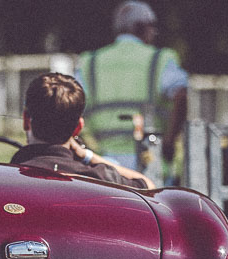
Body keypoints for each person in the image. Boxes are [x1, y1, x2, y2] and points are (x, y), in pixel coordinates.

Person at [77, 1, 187, 182]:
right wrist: (169, 141)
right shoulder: (160, 59)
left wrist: (84, 146)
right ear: (141, 27)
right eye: (153, 27)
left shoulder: (91, 62)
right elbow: (181, 94)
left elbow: (68, 101)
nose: (154, 32)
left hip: (102, 163)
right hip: (151, 163)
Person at [10, 73, 154, 189]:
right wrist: (87, 155)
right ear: (78, 127)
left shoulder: (1, 177)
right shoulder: (99, 178)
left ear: (26, 120)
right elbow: (148, 185)